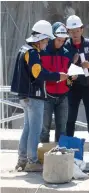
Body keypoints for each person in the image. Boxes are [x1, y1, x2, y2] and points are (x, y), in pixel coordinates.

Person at [10, 20, 69, 172]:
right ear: (41, 39)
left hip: (25, 96)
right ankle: (32, 161)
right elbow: (39, 73)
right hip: (34, 96)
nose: (47, 43)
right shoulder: (33, 53)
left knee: (27, 129)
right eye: (46, 40)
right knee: (34, 130)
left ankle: (22, 160)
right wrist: (58, 76)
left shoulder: (24, 49)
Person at [64, 15, 89, 157]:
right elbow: (63, 67)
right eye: (71, 31)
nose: (74, 34)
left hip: (88, 86)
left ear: (82, 29)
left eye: (77, 30)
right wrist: (73, 64)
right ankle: (68, 148)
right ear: (68, 31)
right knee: (71, 118)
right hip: (72, 87)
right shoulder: (66, 46)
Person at [40, 22, 77, 143]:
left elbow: (68, 80)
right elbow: (41, 75)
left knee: (62, 130)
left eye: (63, 40)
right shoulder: (43, 52)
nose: (61, 43)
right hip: (47, 96)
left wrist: (72, 79)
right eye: (58, 40)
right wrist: (57, 77)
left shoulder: (67, 53)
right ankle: (43, 157)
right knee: (44, 129)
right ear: (52, 37)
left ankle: (59, 158)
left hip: (63, 97)